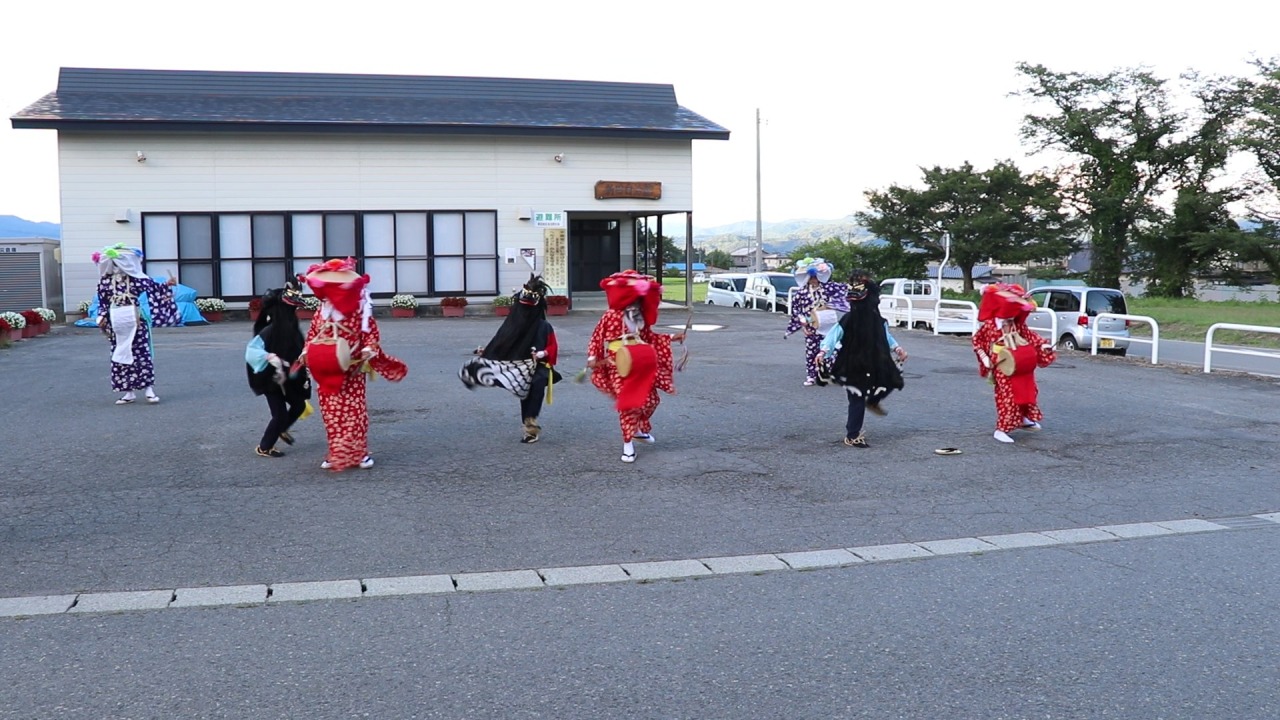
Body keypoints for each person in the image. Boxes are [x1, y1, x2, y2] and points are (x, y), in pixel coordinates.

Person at [296, 257, 408, 471]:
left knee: (354, 412)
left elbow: (370, 333)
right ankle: (336, 452)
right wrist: (305, 351)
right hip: (326, 368)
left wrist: (369, 348)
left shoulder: (359, 308)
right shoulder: (322, 309)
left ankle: (359, 453)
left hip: (352, 368)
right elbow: (312, 335)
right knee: (331, 413)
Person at [586, 270, 685, 464]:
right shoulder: (610, 315)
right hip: (617, 362)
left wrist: (672, 337)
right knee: (629, 402)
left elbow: (650, 337)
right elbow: (596, 337)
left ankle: (637, 429)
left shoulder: (639, 316)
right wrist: (592, 356)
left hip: (640, 360)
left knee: (651, 400)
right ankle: (628, 444)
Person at [459, 274, 562, 443]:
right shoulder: (515, 324)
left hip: (539, 366)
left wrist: (542, 354)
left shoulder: (544, 326)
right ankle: (528, 424)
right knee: (524, 392)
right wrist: (488, 352)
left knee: (537, 383)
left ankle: (531, 421)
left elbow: (553, 347)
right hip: (517, 366)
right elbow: (502, 341)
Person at [821, 269, 907, 448]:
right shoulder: (849, 319)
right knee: (857, 397)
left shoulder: (877, 320)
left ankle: (873, 401)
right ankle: (852, 435)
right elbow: (833, 335)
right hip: (852, 363)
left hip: (874, 362)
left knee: (890, 381)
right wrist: (823, 351)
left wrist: (897, 348)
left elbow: (885, 336)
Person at [92, 243, 180, 405]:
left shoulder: (136, 279)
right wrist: (101, 316)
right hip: (116, 320)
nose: (117, 267)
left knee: (141, 353)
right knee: (120, 354)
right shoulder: (105, 282)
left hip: (135, 319)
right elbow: (103, 302)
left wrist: (167, 285)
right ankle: (128, 392)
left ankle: (149, 389)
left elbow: (154, 288)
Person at [971, 283, 1056, 443]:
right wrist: (984, 358)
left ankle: (1023, 418)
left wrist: (1043, 345)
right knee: (1007, 395)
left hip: (1020, 362)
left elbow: (1030, 336)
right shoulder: (990, 325)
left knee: (1028, 390)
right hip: (1002, 364)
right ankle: (1001, 429)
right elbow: (977, 341)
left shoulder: (1016, 324)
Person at [245, 281, 312, 458]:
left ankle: (281, 429)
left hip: (287, 376)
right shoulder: (269, 330)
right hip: (269, 377)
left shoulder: (291, 330)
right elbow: (251, 351)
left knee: (298, 404)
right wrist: (269, 357)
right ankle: (264, 447)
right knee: (280, 414)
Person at [783, 257, 849, 386]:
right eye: (811, 278)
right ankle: (811, 375)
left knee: (833, 349)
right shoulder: (802, 292)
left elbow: (845, 289)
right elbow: (797, 310)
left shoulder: (828, 287)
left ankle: (831, 372)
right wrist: (803, 325)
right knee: (811, 350)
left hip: (829, 323)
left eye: (815, 277)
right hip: (812, 324)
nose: (813, 280)